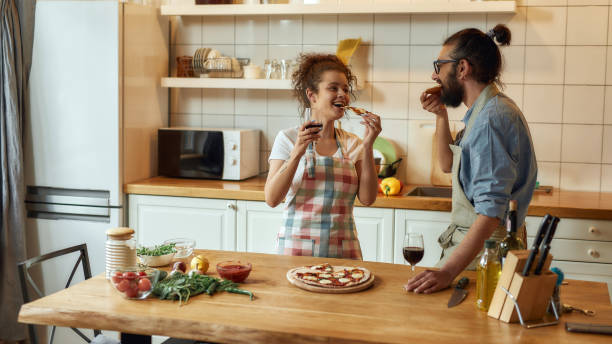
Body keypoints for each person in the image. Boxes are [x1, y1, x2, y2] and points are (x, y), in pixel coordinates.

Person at [405, 24, 537, 293]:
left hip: (483, 256)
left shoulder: (490, 119)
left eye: (439, 65)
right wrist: (441, 114)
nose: (434, 75)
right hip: (477, 252)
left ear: (462, 68)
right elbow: (446, 165)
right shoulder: (485, 112)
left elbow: (490, 213)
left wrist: (446, 272)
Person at [265, 53, 381, 259]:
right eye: (333, 88)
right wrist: (297, 152)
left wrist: (369, 145)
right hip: (295, 253)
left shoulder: (354, 143)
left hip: (344, 253)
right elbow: (272, 198)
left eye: (345, 89)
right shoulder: (288, 139)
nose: (342, 94)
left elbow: (368, 198)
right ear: (312, 95)